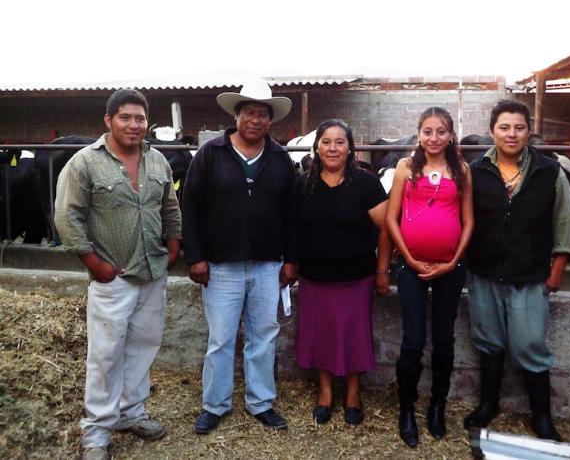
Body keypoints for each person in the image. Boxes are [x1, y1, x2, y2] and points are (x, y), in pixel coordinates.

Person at [54, 89, 182, 460]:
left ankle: (131, 413)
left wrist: (173, 245)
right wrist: (94, 264)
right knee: (105, 355)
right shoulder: (85, 163)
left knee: (143, 347)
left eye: (140, 118)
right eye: (125, 117)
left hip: (152, 272)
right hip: (114, 278)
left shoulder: (157, 160)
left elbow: (170, 207)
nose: (133, 124)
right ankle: (96, 432)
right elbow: (67, 216)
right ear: (108, 120)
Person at [181, 78, 298, 434]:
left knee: (263, 336)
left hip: (267, 265)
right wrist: (195, 257)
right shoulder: (210, 154)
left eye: (262, 114)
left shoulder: (280, 159)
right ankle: (215, 405)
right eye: (249, 112)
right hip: (220, 266)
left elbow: (292, 213)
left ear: (270, 120)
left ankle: (260, 402)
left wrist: (291, 259)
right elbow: (191, 207)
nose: (255, 120)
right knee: (220, 339)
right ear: (236, 115)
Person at [463, 99, 570, 441]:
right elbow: (463, 218)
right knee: (488, 340)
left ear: (529, 132)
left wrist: (558, 265)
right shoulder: (476, 170)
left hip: (529, 274)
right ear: (492, 131)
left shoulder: (548, 170)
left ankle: (542, 417)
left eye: (519, 127)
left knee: (529, 343)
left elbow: (566, 220)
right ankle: (488, 405)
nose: (511, 134)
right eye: (504, 127)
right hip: (484, 272)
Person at [385, 107, 473, 446]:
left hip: (450, 268)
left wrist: (453, 261)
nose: (434, 138)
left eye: (441, 131)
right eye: (427, 131)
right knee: (413, 340)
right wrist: (408, 257)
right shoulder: (406, 168)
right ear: (419, 133)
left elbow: (469, 220)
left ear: (450, 135)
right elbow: (391, 218)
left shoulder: (462, 170)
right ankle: (406, 408)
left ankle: (438, 405)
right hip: (412, 267)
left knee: (444, 338)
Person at [295, 119, 391, 426]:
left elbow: (387, 228)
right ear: (317, 147)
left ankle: (352, 393)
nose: (333, 148)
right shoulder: (303, 185)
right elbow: (293, 230)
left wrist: (382, 269)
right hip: (314, 277)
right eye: (326, 142)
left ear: (350, 148)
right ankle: (325, 392)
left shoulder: (366, 184)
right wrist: (291, 263)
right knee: (320, 334)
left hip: (356, 277)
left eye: (340, 142)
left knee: (354, 335)